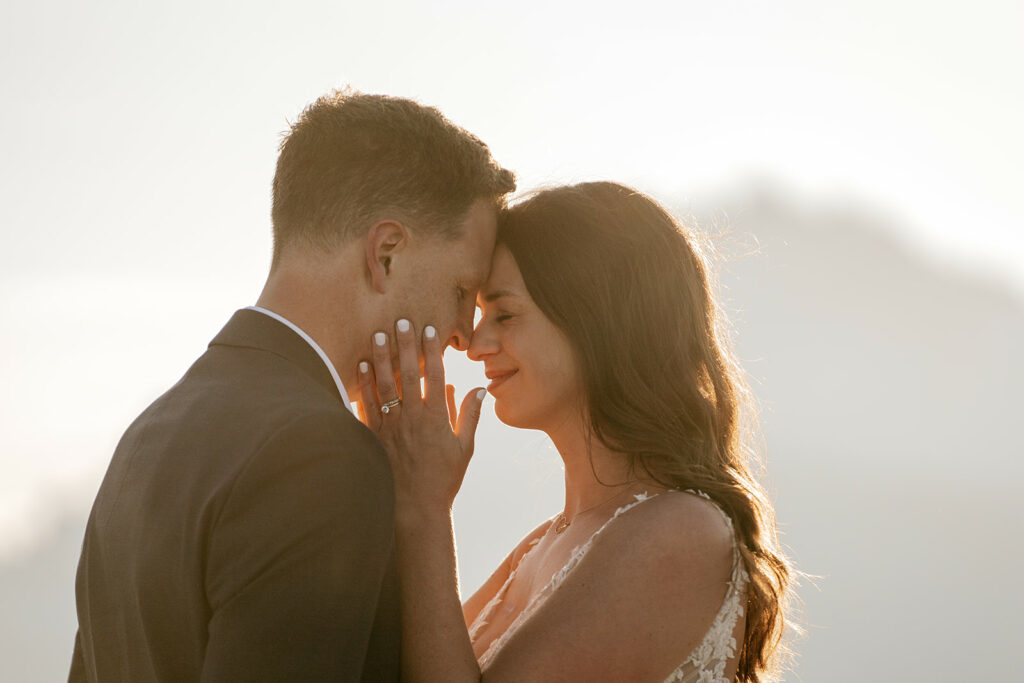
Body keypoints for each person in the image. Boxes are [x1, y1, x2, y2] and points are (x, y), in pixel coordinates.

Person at [69, 90, 515, 682]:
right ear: (385, 255)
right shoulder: (318, 456)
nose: (463, 334)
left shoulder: (148, 437)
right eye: (462, 291)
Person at [358, 182, 794, 681]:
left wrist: (425, 506)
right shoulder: (542, 543)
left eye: (505, 313)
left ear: (596, 322)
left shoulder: (680, 532)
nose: (475, 344)